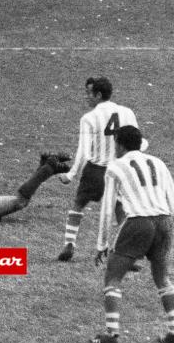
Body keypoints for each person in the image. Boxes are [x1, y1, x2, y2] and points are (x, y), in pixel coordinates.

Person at [90, 126, 174, 343]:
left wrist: (102, 243)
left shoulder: (115, 167)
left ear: (119, 144)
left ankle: (112, 334)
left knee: (113, 277)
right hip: (165, 222)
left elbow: (107, 209)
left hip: (138, 223)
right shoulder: (159, 163)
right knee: (162, 278)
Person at [56, 76, 139, 262]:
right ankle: (124, 252)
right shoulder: (127, 112)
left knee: (79, 204)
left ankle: (69, 243)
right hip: (120, 170)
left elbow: (83, 151)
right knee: (120, 210)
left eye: (88, 93)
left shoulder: (89, 118)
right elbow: (136, 140)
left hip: (96, 169)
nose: (86, 97)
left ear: (98, 94)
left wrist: (71, 174)